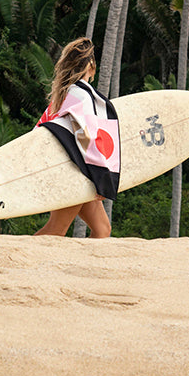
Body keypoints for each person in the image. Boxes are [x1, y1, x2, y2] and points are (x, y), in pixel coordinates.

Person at [33, 38, 120, 238]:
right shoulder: (81, 96)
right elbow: (88, 139)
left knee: (102, 229)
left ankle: (84, 267)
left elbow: (38, 131)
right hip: (74, 172)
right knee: (56, 230)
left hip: (74, 170)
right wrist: (101, 178)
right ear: (91, 65)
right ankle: (18, 262)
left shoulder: (63, 96)